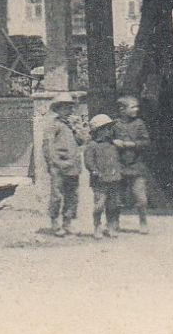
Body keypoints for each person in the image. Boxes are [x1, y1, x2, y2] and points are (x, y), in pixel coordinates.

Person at [41, 93, 83, 236]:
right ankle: (55, 222)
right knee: (57, 195)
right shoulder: (54, 125)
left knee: (72, 195)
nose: (69, 110)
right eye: (65, 107)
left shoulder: (73, 125)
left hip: (73, 165)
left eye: (70, 106)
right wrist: (53, 163)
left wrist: (77, 128)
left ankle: (68, 222)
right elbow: (48, 145)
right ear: (58, 109)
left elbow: (82, 141)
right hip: (58, 165)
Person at [113, 95, 153, 233]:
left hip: (136, 166)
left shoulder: (139, 123)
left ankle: (143, 222)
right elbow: (105, 139)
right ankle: (114, 222)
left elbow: (146, 142)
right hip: (119, 166)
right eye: (133, 107)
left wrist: (134, 144)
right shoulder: (114, 124)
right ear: (122, 110)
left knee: (140, 197)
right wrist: (114, 142)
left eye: (137, 106)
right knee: (117, 197)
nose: (136, 109)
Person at [83, 114, 123, 239]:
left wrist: (118, 171)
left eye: (110, 128)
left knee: (112, 205)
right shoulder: (92, 145)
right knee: (99, 205)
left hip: (113, 179)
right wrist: (94, 170)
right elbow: (89, 161)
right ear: (98, 131)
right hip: (99, 180)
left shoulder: (112, 144)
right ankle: (97, 226)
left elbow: (117, 160)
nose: (109, 131)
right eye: (106, 128)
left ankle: (110, 226)